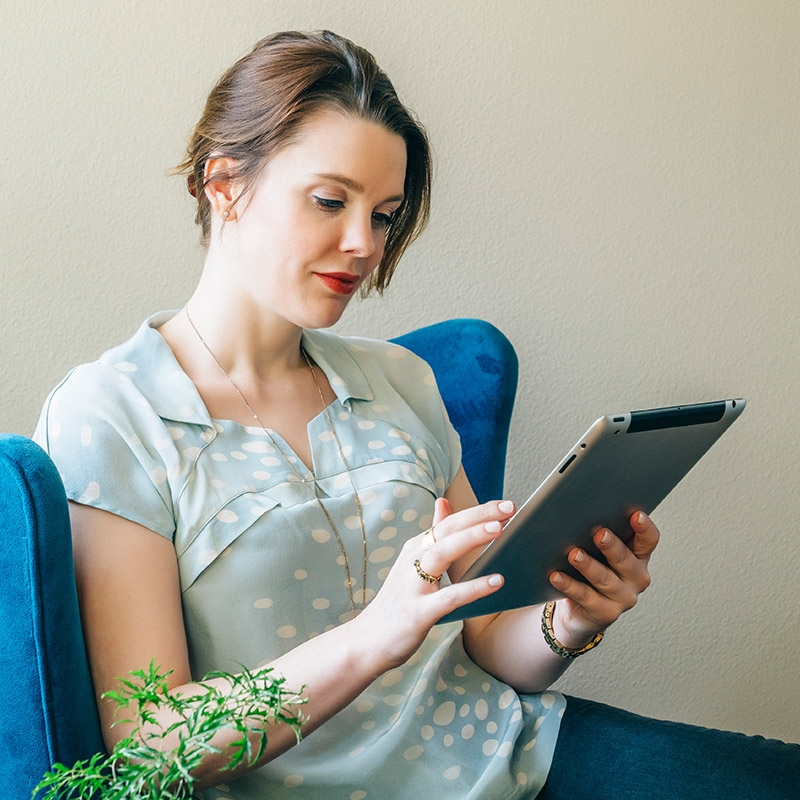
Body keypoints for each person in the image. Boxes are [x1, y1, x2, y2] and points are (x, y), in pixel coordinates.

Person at [34, 30, 799, 800]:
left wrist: (567, 622)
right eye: (330, 201)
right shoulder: (114, 416)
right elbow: (151, 746)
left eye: (386, 214)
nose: (363, 244)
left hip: (513, 747)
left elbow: (487, 637)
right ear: (224, 182)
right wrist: (374, 636)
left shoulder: (399, 380)